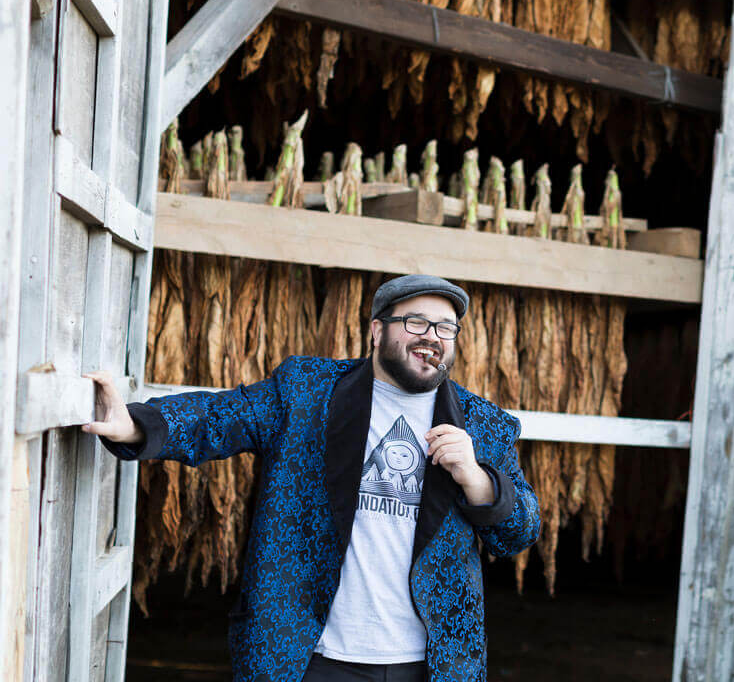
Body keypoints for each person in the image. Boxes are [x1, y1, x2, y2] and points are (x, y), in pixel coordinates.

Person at [85, 274, 540, 682]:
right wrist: (138, 425)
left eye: (445, 327)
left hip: (430, 664)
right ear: (377, 330)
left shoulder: (482, 425)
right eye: (417, 323)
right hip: (311, 658)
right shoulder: (307, 389)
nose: (433, 337)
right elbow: (222, 416)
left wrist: (476, 478)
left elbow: (520, 532)